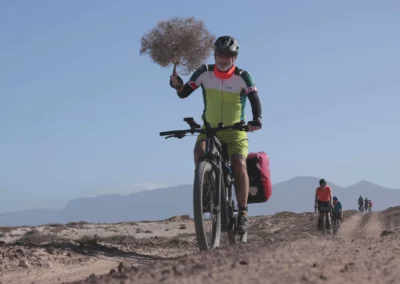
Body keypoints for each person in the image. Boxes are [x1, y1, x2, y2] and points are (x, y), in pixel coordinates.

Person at [169, 35, 263, 234]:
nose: (223, 58)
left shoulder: (243, 76)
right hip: (210, 129)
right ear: (215, 55)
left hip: (236, 131)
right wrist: (178, 84)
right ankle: (206, 195)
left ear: (234, 58)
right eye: (220, 54)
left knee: (239, 164)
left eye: (228, 54)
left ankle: (243, 213)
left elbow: (254, 98)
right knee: (199, 152)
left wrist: (257, 120)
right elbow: (184, 92)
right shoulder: (204, 72)